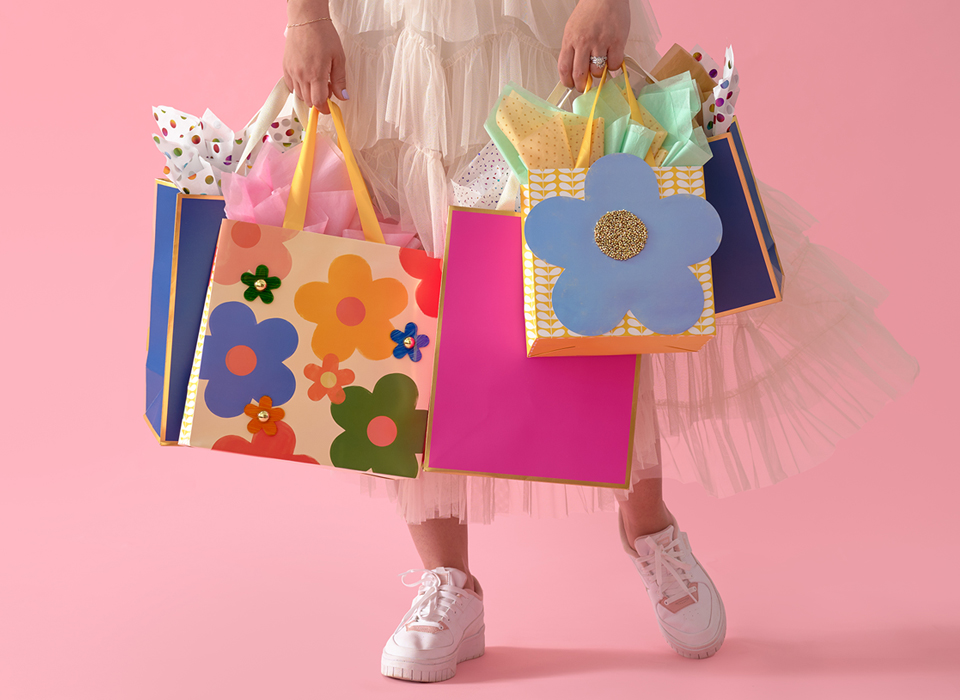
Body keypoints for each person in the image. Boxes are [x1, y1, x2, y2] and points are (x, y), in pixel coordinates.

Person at [282, 0, 919, 683]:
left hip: (534, 21)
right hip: (394, 31)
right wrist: (304, 17)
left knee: (594, 262)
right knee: (409, 299)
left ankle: (646, 525)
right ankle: (449, 583)